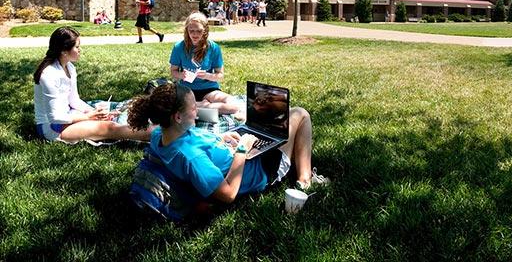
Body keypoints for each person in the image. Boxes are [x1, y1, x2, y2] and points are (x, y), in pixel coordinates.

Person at [127, 83, 329, 204]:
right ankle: (305, 181)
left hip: (235, 152)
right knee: (300, 114)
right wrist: (243, 148)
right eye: (193, 109)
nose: (198, 112)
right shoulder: (192, 157)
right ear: (178, 117)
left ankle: (299, 164)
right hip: (258, 171)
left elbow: (199, 141)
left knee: (275, 126)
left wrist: (221, 139)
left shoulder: (162, 135)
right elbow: (228, 194)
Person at [33, 26, 151, 143]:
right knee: (109, 127)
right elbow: (55, 117)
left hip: (68, 115)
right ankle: (156, 134)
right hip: (52, 128)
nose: (80, 50)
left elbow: (74, 100)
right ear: (64, 51)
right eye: (77, 47)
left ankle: (151, 126)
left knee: (111, 112)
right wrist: (88, 116)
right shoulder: (49, 74)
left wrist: (95, 113)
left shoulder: (69, 67)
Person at [169, 12, 241, 117]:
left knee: (233, 105)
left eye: (199, 31)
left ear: (205, 30)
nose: (195, 34)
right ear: (187, 31)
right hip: (187, 90)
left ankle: (199, 107)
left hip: (209, 89)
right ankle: (203, 106)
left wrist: (207, 75)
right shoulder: (179, 47)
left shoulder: (213, 47)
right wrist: (182, 75)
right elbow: (173, 71)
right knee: (171, 104)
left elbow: (220, 75)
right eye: (191, 31)